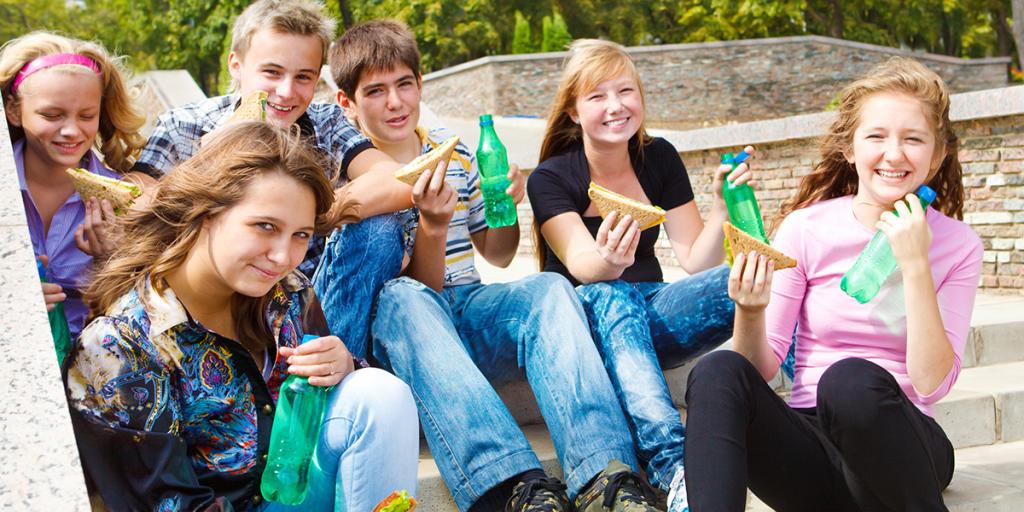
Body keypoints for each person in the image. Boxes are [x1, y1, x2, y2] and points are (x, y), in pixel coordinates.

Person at [331, 21, 660, 512]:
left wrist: (509, 201)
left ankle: (605, 479)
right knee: (403, 297)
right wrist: (433, 226)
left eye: (404, 85)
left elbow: (499, 253)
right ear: (348, 104)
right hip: (407, 324)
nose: (395, 102)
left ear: (421, 85)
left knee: (549, 287)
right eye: (376, 92)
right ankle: (513, 490)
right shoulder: (343, 167)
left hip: (472, 305)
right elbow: (419, 288)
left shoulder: (458, 150)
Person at [64, 122, 419, 511]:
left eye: (300, 235)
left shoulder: (287, 294)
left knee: (379, 393)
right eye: (265, 226)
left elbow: (341, 419)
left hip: (294, 495)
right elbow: (164, 503)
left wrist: (344, 366)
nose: (283, 257)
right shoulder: (117, 347)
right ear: (206, 214)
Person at [683, 57, 982, 511]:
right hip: (812, 449)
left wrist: (916, 264)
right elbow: (762, 367)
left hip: (904, 444)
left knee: (848, 381)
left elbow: (931, 384)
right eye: (877, 136)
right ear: (850, 148)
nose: (895, 153)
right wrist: (750, 310)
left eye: (914, 139)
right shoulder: (806, 229)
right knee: (716, 369)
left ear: (937, 155)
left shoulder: (958, 244)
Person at [130, 0, 422, 357]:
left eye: (303, 77)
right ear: (236, 65)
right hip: (220, 300)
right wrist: (212, 160)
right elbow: (136, 201)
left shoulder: (326, 123)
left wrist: (306, 217)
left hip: (315, 300)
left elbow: (399, 179)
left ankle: (331, 368)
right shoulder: (185, 125)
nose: (286, 92)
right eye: (271, 72)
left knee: (378, 229)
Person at [526, 39, 750, 505]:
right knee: (610, 291)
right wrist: (611, 260)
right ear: (573, 111)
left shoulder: (660, 157)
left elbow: (694, 257)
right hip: (588, 317)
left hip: (652, 308)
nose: (616, 106)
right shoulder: (549, 177)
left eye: (626, 91)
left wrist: (721, 207)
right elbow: (586, 267)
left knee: (748, 273)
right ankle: (673, 468)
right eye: (597, 96)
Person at [0, 31, 146, 341]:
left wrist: (110, 262)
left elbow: (141, 312)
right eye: (51, 115)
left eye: (86, 116)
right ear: (14, 110)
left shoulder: (125, 199)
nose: (70, 130)